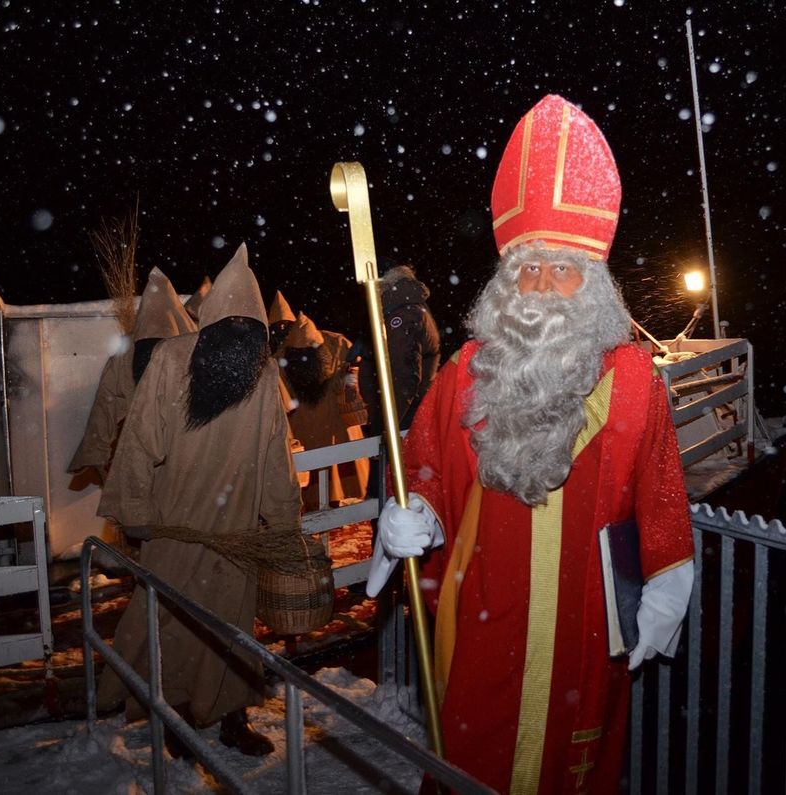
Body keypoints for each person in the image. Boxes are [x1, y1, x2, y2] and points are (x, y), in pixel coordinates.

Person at [365, 95, 695, 793]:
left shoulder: (635, 381)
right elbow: (425, 463)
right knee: (470, 759)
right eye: (529, 271)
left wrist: (668, 573)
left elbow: (660, 489)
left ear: (594, 286)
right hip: (485, 622)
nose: (542, 288)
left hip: (585, 630)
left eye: (562, 269)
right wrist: (411, 512)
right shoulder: (465, 373)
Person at [95, 244, 302, 756]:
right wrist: (136, 515)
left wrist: (281, 526)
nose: (238, 341)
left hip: (234, 538)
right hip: (176, 530)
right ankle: (177, 717)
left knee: (231, 634)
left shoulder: (264, 376)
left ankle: (230, 716)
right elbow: (140, 444)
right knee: (172, 626)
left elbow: (276, 460)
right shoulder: (168, 360)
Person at [67, 267, 195, 483]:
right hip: (180, 453)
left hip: (149, 448)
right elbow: (107, 402)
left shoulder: (127, 351)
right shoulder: (193, 345)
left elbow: (106, 403)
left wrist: (98, 451)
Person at [282, 311, 369, 508]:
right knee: (315, 480)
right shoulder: (281, 356)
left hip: (332, 426)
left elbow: (358, 372)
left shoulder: (337, 344)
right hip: (307, 429)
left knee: (335, 476)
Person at [358, 264, 442, 436]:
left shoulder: (402, 316)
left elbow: (405, 378)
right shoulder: (403, 309)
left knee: (398, 462)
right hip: (406, 414)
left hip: (404, 418)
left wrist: (385, 426)